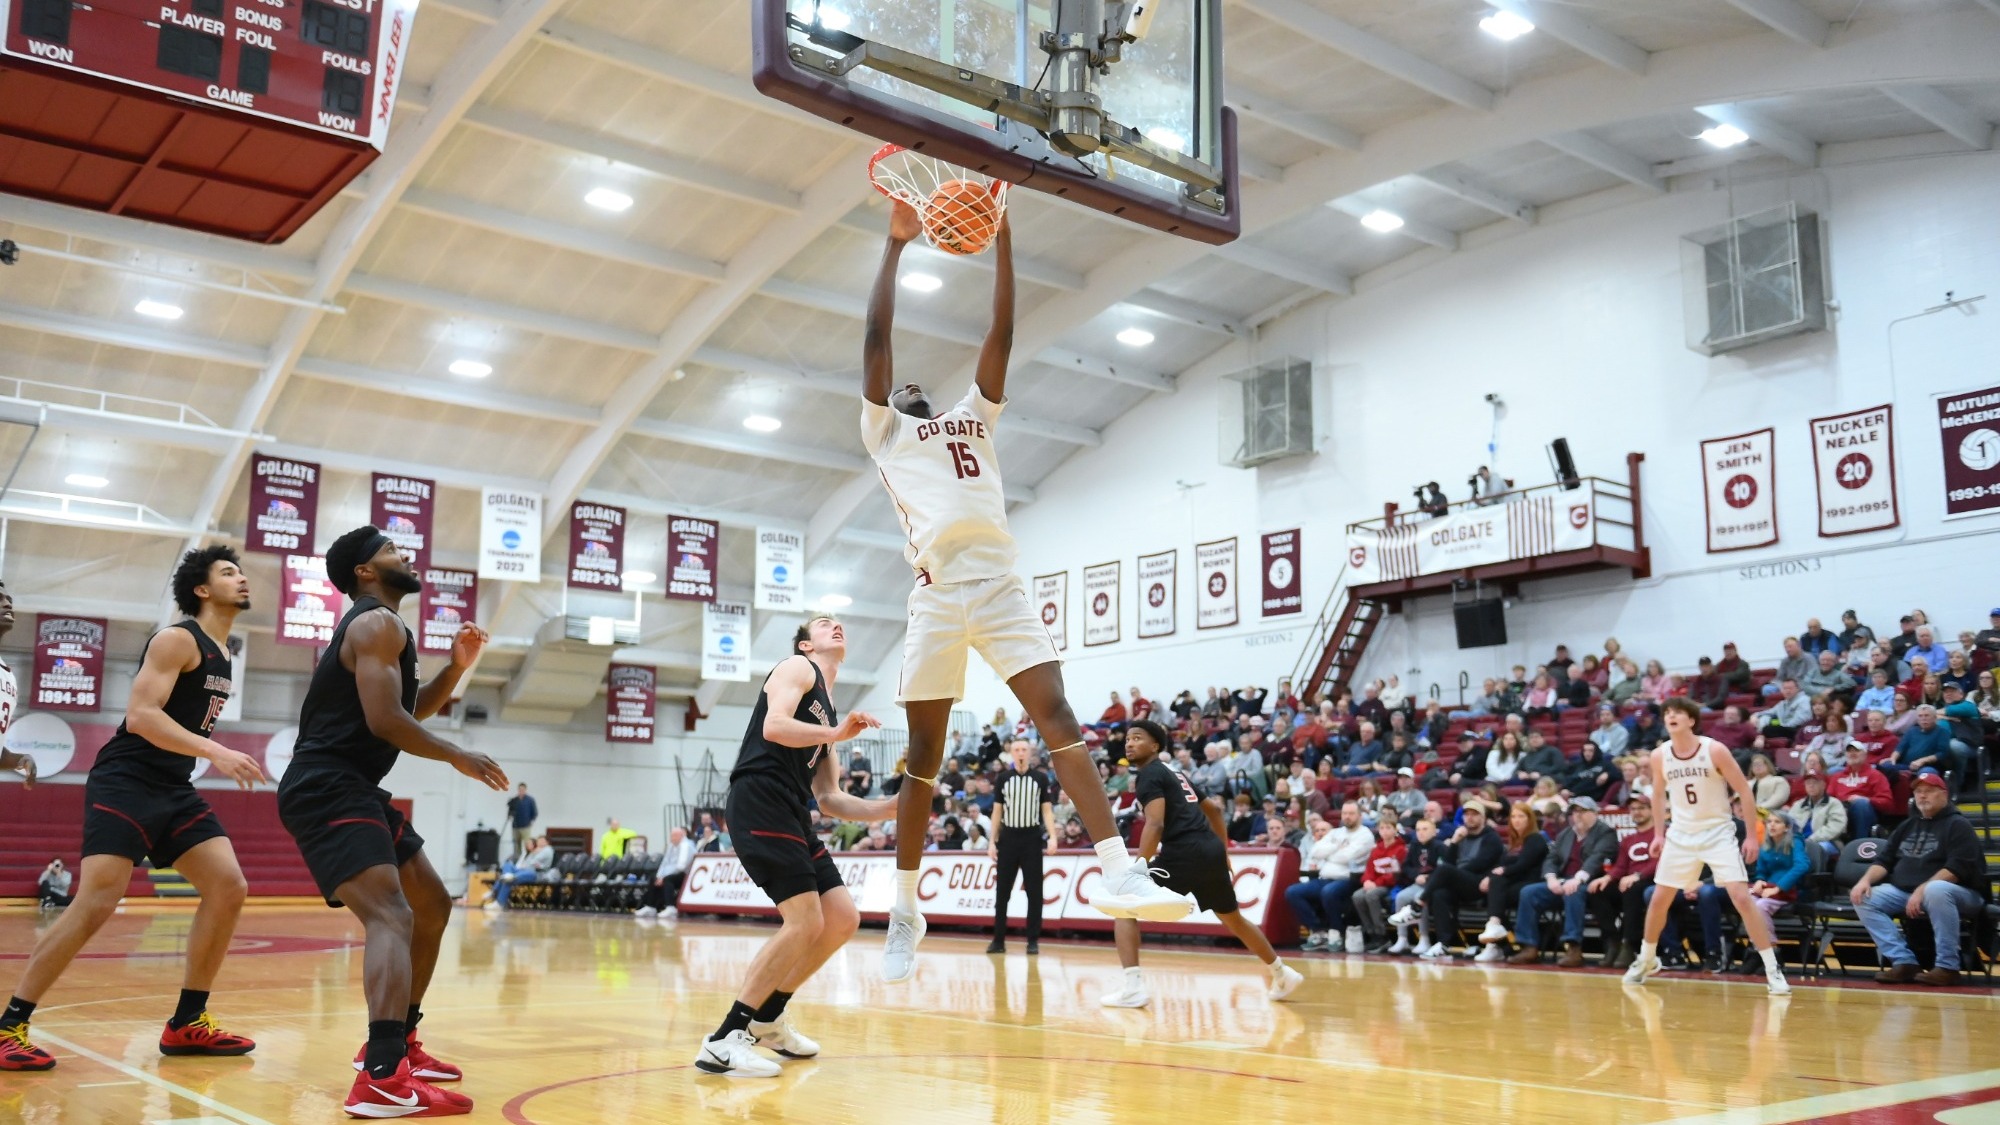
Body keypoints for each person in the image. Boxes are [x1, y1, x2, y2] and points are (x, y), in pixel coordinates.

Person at [862, 202, 1187, 982]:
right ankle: (905, 907)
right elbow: (876, 337)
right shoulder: (886, 433)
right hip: (939, 595)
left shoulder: (972, 415)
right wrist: (895, 245)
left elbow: (1001, 332)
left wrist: (1003, 232)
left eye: (915, 383)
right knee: (924, 756)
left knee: (1059, 715)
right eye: (898, 385)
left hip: (1000, 586)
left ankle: (1118, 867)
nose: (907, 383)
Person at [2, 547, 266, 1073]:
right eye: (228, 572)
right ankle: (10, 1026)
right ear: (202, 589)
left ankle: (188, 1021)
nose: (241, 579)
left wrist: (203, 753)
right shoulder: (177, 639)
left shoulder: (223, 653)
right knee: (97, 901)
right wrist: (215, 751)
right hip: (126, 780)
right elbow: (142, 716)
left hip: (173, 786)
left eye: (240, 572)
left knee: (228, 886)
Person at [276, 527, 505, 1115]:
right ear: (365, 571)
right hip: (327, 786)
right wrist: (456, 755)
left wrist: (456, 669)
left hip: (353, 786)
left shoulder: (386, 627)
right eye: (390, 551)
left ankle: (399, 1043)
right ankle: (380, 1075)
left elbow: (404, 708)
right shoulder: (376, 623)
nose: (406, 556)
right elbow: (386, 722)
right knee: (391, 914)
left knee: (432, 903)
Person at [694, 615, 895, 1077]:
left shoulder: (829, 710)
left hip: (792, 810)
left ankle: (768, 1018)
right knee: (804, 921)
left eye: (840, 624)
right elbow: (775, 726)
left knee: (841, 917)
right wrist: (834, 734)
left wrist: (892, 808)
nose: (836, 627)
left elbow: (829, 798)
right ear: (806, 644)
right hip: (759, 797)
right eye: (824, 624)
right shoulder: (797, 668)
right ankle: (725, 1039)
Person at [1102, 720, 1302, 1006]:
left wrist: (1140, 865)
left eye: (1137, 738)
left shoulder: (1149, 775)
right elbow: (1215, 811)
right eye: (1127, 739)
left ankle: (1133, 988)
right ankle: (1282, 973)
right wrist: (1223, 851)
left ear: (1155, 745)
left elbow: (1155, 824)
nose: (1129, 743)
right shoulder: (1174, 772)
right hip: (1209, 848)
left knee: (1125, 903)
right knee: (1233, 918)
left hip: (1184, 851)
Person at [1622, 697, 1790, 995]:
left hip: (1717, 832)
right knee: (1659, 898)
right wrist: (1659, 834)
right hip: (1681, 833)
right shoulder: (1660, 755)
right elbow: (1658, 796)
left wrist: (1752, 836)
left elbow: (1744, 792)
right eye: (1667, 713)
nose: (1671, 716)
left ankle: (1771, 968)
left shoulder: (1714, 750)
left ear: (1691, 720)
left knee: (1741, 897)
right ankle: (1647, 959)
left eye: (1678, 712)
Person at [1851, 768, 1989, 986]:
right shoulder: (1908, 825)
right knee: (1865, 897)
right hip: (1908, 892)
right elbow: (1884, 860)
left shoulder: (1958, 825)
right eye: (1918, 792)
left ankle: (1947, 967)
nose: (1922, 796)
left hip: (1961, 894)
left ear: (1944, 794)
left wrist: (1922, 889)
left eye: (1929, 791)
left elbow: (1957, 869)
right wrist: (1864, 881)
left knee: (1937, 890)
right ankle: (1904, 962)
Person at [1511, 796, 1618, 966]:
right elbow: (1552, 858)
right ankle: (1528, 946)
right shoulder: (1566, 834)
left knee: (1572, 891)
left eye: (1583, 811)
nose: (1578, 815)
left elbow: (1597, 858)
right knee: (1528, 892)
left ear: (1594, 813)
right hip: (1563, 880)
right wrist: (1551, 878)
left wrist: (1577, 879)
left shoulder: (1605, 833)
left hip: (1591, 883)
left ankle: (1573, 947)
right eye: (1574, 812)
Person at [1399, 801, 1502, 960]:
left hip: (1481, 883)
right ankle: (1443, 944)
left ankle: (1417, 905)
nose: (1470, 818)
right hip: (1460, 882)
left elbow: (1480, 864)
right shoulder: (1461, 836)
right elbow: (1449, 861)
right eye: (1467, 814)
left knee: (1445, 870)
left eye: (1474, 814)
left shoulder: (1491, 837)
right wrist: (1454, 842)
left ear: (1483, 817)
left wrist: (1454, 873)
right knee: (1440, 893)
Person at [987, 739, 1056, 956]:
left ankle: (1032, 941)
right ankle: (998, 940)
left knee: (1035, 892)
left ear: (1030, 753)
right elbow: (997, 811)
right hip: (1008, 838)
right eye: (1016, 750)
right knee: (1002, 892)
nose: (1020, 753)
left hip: (1032, 839)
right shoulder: (1003, 778)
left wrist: (1053, 836)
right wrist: (991, 841)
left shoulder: (1040, 778)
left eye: (1024, 750)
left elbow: (1047, 810)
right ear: (1011, 753)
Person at [1287, 801, 1373, 952]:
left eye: (1351, 813)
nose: (1347, 817)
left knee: (1329, 892)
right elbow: (1315, 851)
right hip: (1325, 878)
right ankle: (1318, 931)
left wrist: (1329, 854)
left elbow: (1347, 856)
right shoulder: (1336, 832)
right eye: (1344, 813)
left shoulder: (1365, 835)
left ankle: (1337, 932)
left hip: (1350, 880)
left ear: (1360, 816)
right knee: (1293, 892)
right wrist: (1337, 847)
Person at [1470, 803, 1549, 963]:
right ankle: (1499, 943)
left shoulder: (1535, 838)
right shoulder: (1514, 842)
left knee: (1495, 893)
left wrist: (1502, 872)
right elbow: (1500, 866)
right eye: (1513, 817)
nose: (1516, 820)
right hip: (1514, 884)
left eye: (1521, 816)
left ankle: (1496, 934)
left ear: (1529, 819)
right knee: (1492, 896)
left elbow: (1523, 865)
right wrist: (1491, 876)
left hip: (1531, 884)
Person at [1587, 793, 1659, 969]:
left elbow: (1660, 862)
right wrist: (1606, 878)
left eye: (1642, 808)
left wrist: (1637, 876)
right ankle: (1613, 940)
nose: (1637, 812)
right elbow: (1620, 866)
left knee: (1632, 890)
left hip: (1653, 882)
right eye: (1633, 809)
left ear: (1652, 810)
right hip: (1630, 882)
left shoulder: (1660, 835)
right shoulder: (1628, 839)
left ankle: (1629, 944)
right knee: (1598, 890)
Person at [1351, 816, 1409, 953]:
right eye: (1382, 828)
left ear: (1395, 830)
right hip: (1374, 883)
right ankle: (1371, 933)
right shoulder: (1376, 849)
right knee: (1357, 896)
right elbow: (1369, 870)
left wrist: (1376, 883)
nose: (1385, 831)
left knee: (1371, 895)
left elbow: (1395, 874)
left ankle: (1382, 935)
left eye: (1388, 828)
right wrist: (1366, 881)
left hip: (1390, 885)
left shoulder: (1401, 849)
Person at [0, 582, 32, 789]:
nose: (7, 604)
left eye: (9, 600)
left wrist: (20, 760)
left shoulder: (8, 676)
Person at [636, 828, 696, 920]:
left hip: (685, 875)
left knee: (668, 879)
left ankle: (670, 907)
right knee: (653, 878)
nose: (672, 838)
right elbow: (664, 863)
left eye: (674, 836)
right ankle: (651, 907)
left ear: (681, 836)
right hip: (670, 873)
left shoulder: (686, 846)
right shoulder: (671, 845)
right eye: (671, 836)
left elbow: (681, 867)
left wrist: (663, 877)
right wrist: (659, 876)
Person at [1787, 770, 1849, 859]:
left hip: (1827, 842)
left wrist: (1811, 840)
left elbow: (1835, 827)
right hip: (1799, 842)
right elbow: (1788, 825)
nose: (1811, 786)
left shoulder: (1834, 803)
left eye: (1815, 782)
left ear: (1823, 785)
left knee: (1813, 850)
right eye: (1808, 783)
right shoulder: (1798, 805)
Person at [488, 836, 554, 910]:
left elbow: (533, 862)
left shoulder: (548, 849)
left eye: (542, 840)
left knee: (509, 879)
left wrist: (535, 853)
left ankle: (497, 896)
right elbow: (527, 864)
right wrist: (533, 853)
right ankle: (504, 881)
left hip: (535, 874)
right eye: (539, 840)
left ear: (547, 842)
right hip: (523, 870)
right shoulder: (533, 851)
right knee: (508, 865)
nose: (539, 842)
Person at [504, 783, 537, 862]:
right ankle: (517, 860)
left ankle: (527, 860)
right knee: (516, 844)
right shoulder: (514, 800)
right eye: (520, 789)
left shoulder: (530, 800)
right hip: (515, 826)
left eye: (522, 789)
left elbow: (534, 812)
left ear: (525, 790)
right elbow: (510, 811)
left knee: (527, 844)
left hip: (526, 826)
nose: (521, 791)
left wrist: (531, 821)